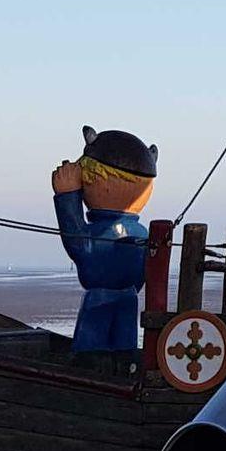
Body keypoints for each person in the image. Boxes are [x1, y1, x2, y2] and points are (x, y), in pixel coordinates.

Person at [52, 126, 157, 355]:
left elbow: (76, 242)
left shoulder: (98, 233)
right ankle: (125, 363)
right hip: (129, 295)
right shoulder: (142, 233)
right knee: (125, 344)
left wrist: (67, 195)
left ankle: (88, 363)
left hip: (98, 298)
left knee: (90, 346)